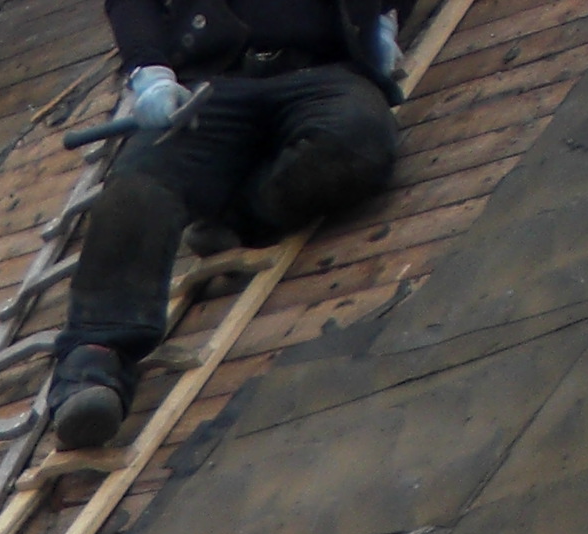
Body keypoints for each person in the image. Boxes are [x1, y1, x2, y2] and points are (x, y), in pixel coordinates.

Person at [49, 1, 405, 450]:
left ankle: (238, 214)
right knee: (138, 186)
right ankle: (95, 357)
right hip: (210, 84)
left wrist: (384, 19)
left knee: (356, 142)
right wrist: (150, 71)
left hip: (322, 72)